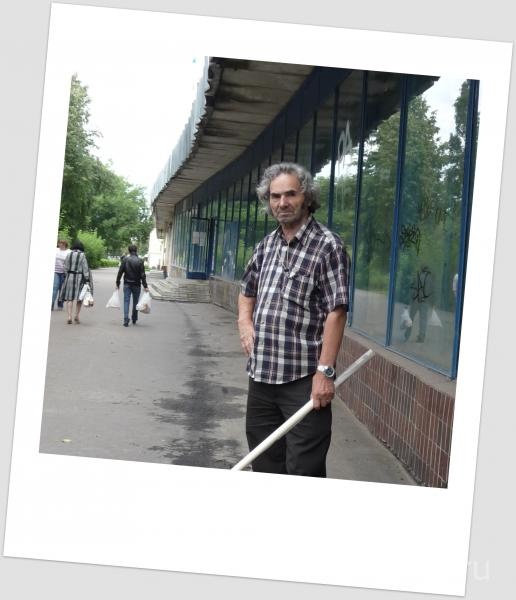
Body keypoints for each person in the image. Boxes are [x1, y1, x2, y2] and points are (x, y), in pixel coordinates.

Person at [238, 162, 350, 477]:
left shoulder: (328, 246)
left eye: (290, 194)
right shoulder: (266, 246)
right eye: (275, 196)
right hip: (261, 376)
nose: (282, 203)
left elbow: (337, 311)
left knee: (304, 471)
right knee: (264, 465)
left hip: (303, 381)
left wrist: (325, 373)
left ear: (307, 197)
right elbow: (246, 291)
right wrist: (245, 323)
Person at [60, 239, 93, 325]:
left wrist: (67, 275)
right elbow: (85, 268)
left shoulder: (69, 254)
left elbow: (65, 267)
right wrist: (87, 279)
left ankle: (69, 317)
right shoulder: (82, 255)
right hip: (79, 278)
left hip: (70, 277)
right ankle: (76, 316)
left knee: (69, 298)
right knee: (79, 298)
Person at [116, 244, 149, 327]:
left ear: (129, 251)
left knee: (126, 301)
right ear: (136, 250)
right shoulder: (140, 261)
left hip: (127, 284)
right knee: (135, 302)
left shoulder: (125, 260)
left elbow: (120, 272)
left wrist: (117, 283)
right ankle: (134, 318)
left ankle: (126, 319)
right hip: (137, 284)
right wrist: (145, 286)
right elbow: (142, 275)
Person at [404, 265, 434, 343]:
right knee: (423, 319)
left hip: (416, 300)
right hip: (425, 302)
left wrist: (409, 300)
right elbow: (432, 291)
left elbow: (413, 289)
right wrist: (431, 301)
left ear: (421, 269)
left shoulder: (418, 276)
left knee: (411, 318)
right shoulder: (430, 279)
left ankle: (407, 334)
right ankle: (421, 337)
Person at [51, 239, 70, 310]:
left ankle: (60, 304)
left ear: (65, 245)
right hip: (55, 272)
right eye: (59, 243)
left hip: (64, 273)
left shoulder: (69, 252)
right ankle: (51, 304)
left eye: (62, 243)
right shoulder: (55, 250)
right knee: (54, 288)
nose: (60, 244)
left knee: (62, 289)